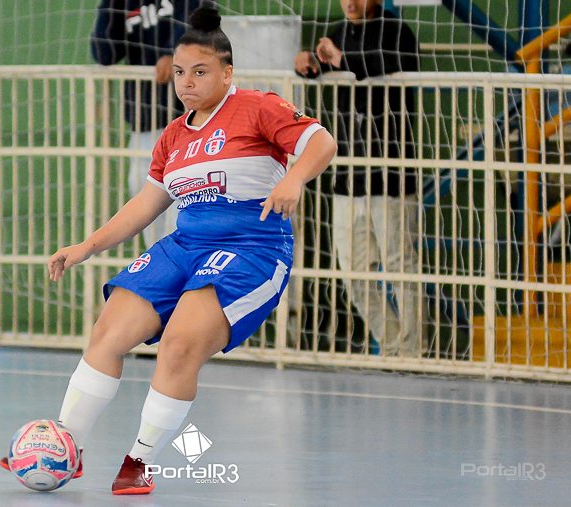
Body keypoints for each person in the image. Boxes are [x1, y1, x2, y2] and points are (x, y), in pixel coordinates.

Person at [32, 3, 335, 495]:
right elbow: (147, 203)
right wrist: (86, 246)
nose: (187, 82)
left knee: (178, 344)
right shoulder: (173, 135)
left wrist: (294, 179)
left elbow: (321, 142)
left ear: (227, 72)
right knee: (108, 331)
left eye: (200, 71)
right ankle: (66, 447)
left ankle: (139, 462)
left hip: (251, 246)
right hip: (185, 243)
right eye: (179, 72)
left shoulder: (258, 106)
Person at [294, 0, 427, 357]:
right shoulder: (339, 32)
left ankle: (413, 353)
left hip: (391, 173)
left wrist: (339, 59)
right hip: (348, 175)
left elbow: (382, 66)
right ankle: (395, 347)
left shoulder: (397, 32)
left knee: (401, 267)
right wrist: (307, 62)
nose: (350, 3)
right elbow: (322, 67)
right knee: (353, 273)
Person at [91, 0, 201, 246]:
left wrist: (174, 52)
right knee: (146, 207)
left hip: (192, 122)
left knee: (185, 207)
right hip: (145, 121)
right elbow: (105, 53)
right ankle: (161, 267)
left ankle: (184, 267)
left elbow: (199, 21)